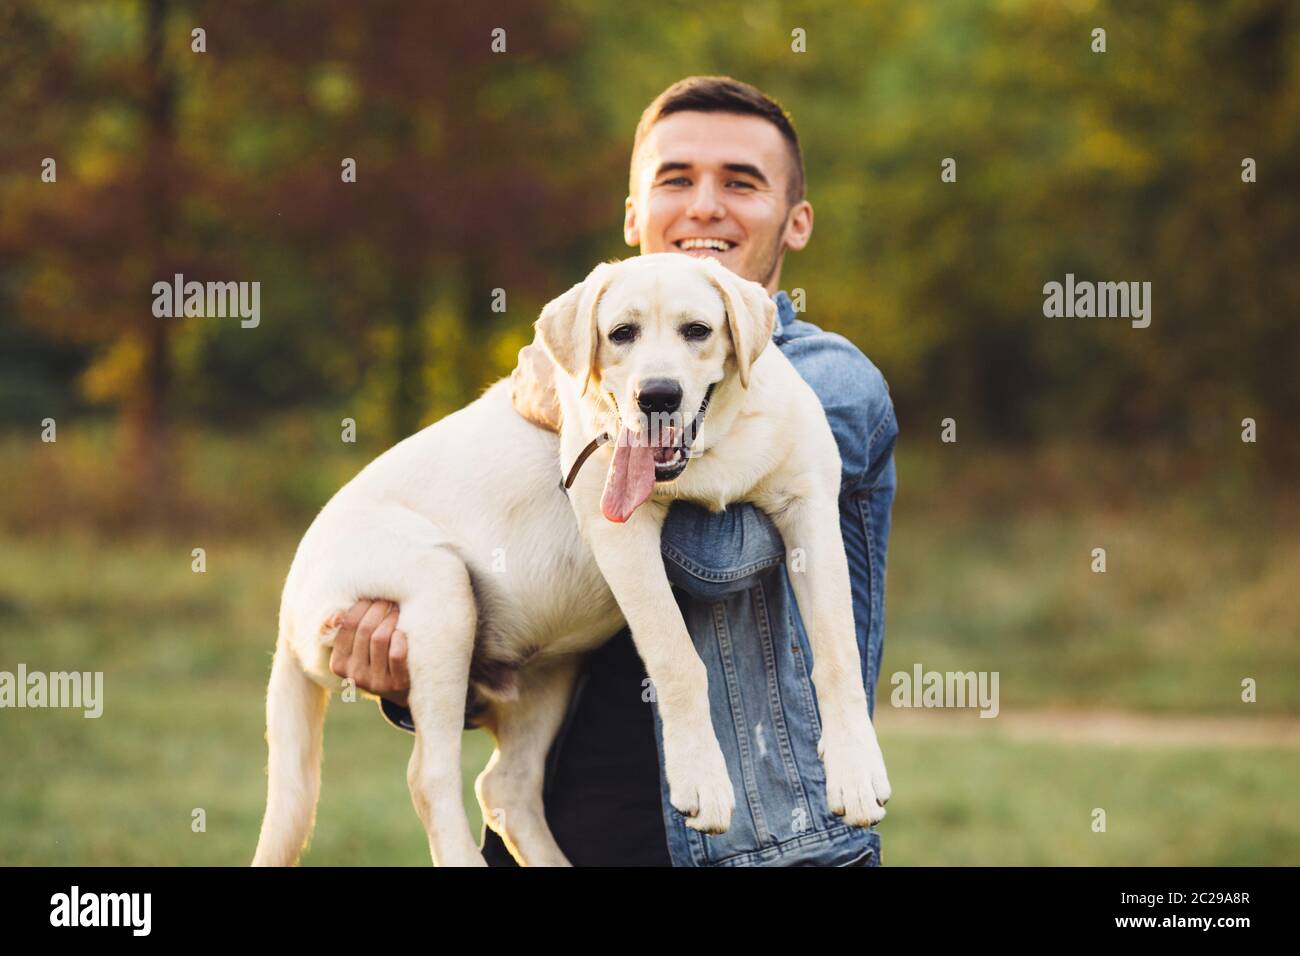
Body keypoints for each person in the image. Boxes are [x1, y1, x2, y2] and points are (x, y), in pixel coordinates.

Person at [331, 76, 898, 866]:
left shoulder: (831, 381)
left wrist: (578, 420)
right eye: (675, 180)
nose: (704, 205)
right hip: (560, 834)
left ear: (796, 222)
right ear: (633, 215)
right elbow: (530, 603)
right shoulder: (586, 373)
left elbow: (714, 556)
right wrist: (412, 665)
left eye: (741, 182)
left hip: (765, 846)